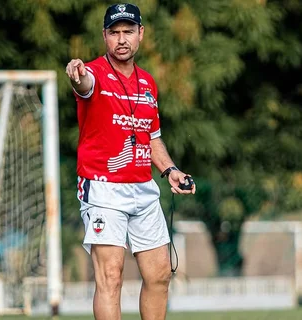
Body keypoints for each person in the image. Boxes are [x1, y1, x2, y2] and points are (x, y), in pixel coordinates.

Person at [65, 3, 196, 320]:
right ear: (104, 36)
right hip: (103, 189)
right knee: (111, 277)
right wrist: (76, 75)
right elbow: (83, 85)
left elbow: (152, 137)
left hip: (143, 188)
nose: (121, 39)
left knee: (160, 274)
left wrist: (170, 170)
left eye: (128, 31)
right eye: (114, 32)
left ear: (141, 34)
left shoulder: (148, 83)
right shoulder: (94, 73)